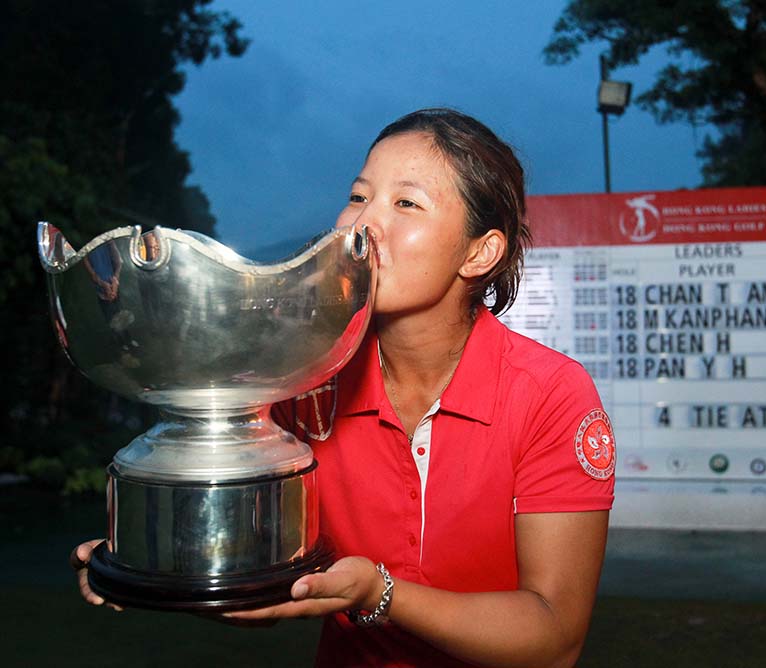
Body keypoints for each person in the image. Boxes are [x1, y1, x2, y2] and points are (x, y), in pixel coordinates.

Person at [72, 108, 616, 668]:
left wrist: (379, 594)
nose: (362, 225)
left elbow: (553, 638)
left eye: (406, 203)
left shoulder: (551, 395)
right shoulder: (303, 385)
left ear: (480, 252)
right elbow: (254, 566)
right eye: (359, 197)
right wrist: (155, 559)